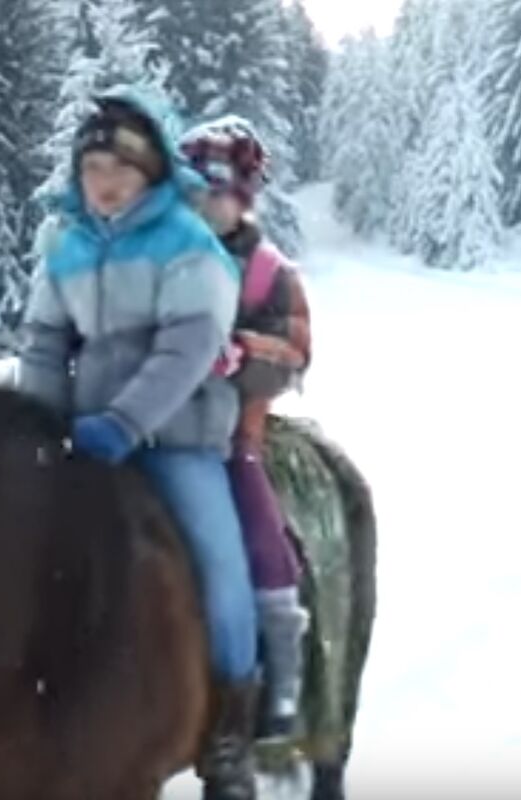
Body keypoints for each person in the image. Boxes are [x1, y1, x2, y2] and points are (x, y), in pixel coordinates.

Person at [18, 86, 259, 799]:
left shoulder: (189, 243)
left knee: (221, 565)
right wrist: (41, 429)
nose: (106, 182)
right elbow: (43, 342)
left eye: (121, 168)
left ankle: (231, 731)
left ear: (152, 172)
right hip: (85, 436)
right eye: (93, 168)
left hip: (178, 438)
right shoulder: (64, 243)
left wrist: (124, 423)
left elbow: (190, 347)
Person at [179, 116, 312, 739]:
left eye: (221, 194)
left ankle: (280, 665)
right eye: (196, 194)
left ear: (244, 198)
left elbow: (295, 350)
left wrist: (242, 353)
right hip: (151, 420)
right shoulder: (158, 258)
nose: (207, 206)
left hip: (234, 429)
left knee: (258, 525)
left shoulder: (268, 272)